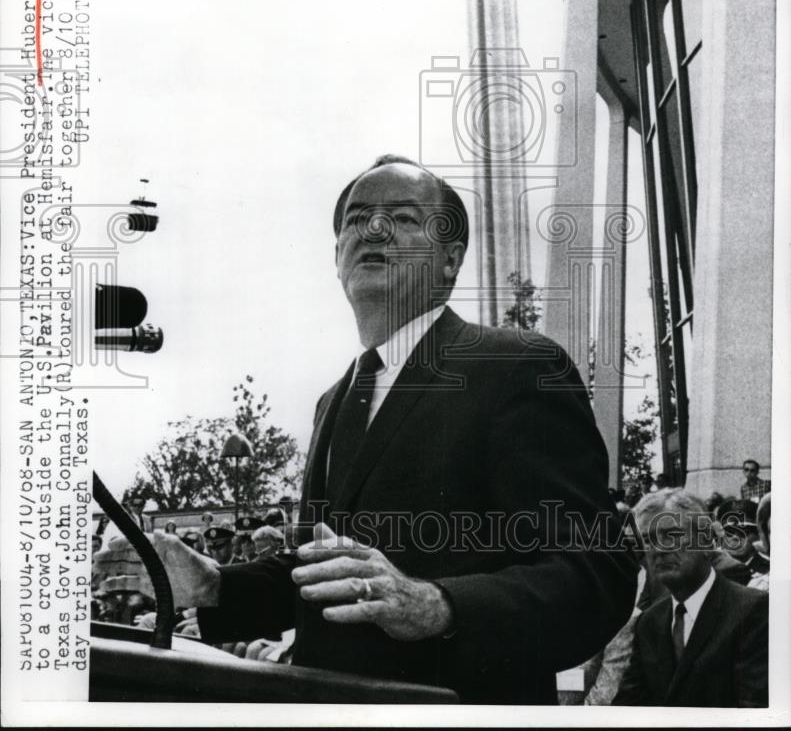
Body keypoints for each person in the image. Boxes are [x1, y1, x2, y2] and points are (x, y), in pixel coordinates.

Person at [95, 155, 636, 704]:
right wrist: (215, 585)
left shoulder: (516, 365)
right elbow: (326, 574)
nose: (373, 229)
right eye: (356, 219)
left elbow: (595, 572)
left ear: (450, 260)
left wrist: (437, 605)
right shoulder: (335, 398)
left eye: (401, 218)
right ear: (337, 259)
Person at [614, 489, 768, 707]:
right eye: (648, 539)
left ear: (706, 542)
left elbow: (753, 713)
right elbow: (627, 708)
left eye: (672, 535)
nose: (658, 549)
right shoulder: (649, 622)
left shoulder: (753, 611)